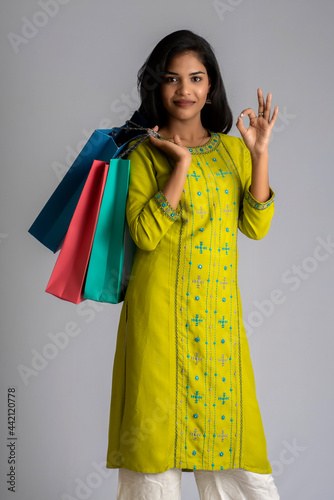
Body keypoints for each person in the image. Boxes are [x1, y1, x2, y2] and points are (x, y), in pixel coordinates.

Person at [106, 29, 280, 499]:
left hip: (219, 326)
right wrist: (179, 166)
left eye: (196, 78)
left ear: (210, 87)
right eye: (172, 78)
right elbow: (143, 234)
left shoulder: (232, 151)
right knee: (154, 456)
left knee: (238, 455)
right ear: (157, 88)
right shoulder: (142, 153)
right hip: (158, 321)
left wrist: (259, 153)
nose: (184, 89)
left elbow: (256, 225)